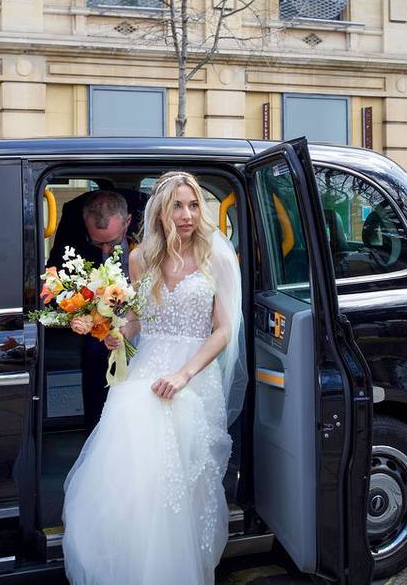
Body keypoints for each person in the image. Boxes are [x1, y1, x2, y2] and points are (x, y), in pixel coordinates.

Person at [62, 171, 246, 585]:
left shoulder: (215, 256)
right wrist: (118, 334)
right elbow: (137, 317)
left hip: (193, 377)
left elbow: (222, 331)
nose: (186, 215)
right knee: (134, 482)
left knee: (184, 488)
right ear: (160, 211)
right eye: (177, 206)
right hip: (144, 374)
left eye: (194, 205)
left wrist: (183, 375)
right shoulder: (140, 257)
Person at [46, 189, 143, 433]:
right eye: (97, 242)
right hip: (98, 322)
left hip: (142, 318)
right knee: (94, 354)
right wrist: (75, 306)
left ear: (128, 222)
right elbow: (55, 275)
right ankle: (97, 431)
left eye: (111, 242)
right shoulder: (73, 225)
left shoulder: (147, 229)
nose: (105, 250)